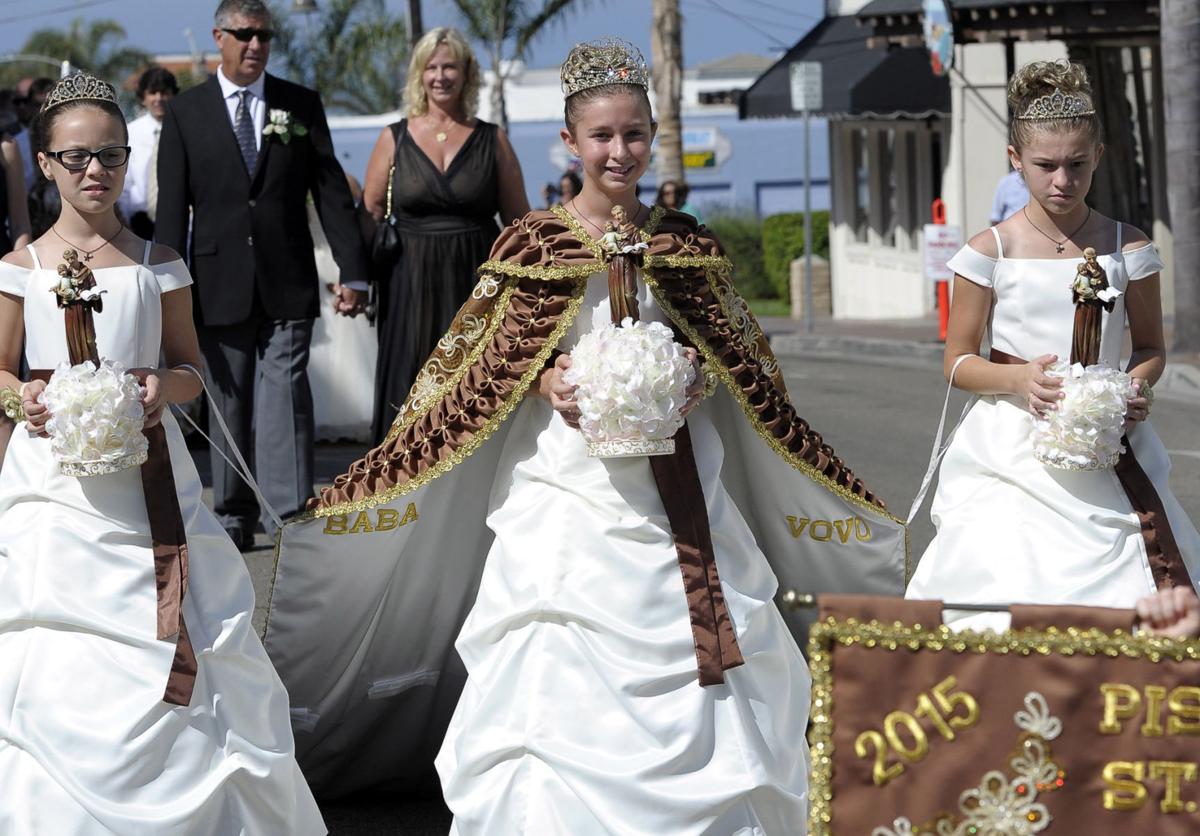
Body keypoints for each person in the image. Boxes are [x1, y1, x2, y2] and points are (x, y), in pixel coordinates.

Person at [262, 37, 906, 816]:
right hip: (571, 484)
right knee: (554, 636)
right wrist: (545, 381)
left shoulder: (686, 243)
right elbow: (476, 364)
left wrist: (694, 376)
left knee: (715, 624)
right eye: (602, 136)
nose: (620, 151)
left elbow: (741, 360)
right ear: (570, 141)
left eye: (634, 134)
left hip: (678, 478)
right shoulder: (535, 243)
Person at [0, 72, 322, 834]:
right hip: (55, 494)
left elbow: (191, 369)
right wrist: (26, 399)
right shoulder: (20, 270)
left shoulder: (158, 260)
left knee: (191, 643)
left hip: (149, 487)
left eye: (109, 154)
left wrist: (156, 388)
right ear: (44, 163)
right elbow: (1, 373)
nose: (95, 171)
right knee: (49, 655)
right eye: (75, 157)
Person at [905, 59, 1200, 631]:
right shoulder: (989, 249)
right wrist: (1018, 380)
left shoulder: (1128, 246)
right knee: (1008, 571)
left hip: (1108, 438)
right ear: (1016, 161)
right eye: (1045, 166)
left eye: (1077, 165)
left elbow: (1150, 347)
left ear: (1099, 158)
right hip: (1013, 440)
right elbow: (957, 360)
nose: (1062, 181)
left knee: (1133, 579)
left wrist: (1132, 387)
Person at [157, 0, 369, 548]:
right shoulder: (185, 113)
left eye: (265, 36)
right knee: (230, 402)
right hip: (216, 281)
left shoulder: (299, 104)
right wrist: (161, 287)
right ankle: (231, 510)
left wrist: (356, 271)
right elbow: (172, 208)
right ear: (219, 38)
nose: (256, 45)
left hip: (288, 278)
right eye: (245, 34)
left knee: (285, 394)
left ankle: (288, 513)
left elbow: (329, 194)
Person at [362, 26, 528, 445]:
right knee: (409, 375)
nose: (440, 76)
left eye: (450, 66)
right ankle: (400, 476)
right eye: (432, 67)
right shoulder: (393, 137)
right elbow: (370, 211)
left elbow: (518, 219)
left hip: (475, 280)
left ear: (467, 73)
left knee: (472, 378)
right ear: (419, 74)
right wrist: (357, 279)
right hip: (407, 280)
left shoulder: (493, 139)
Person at [119, 65, 178, 239]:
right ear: (143, 97)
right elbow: (124, 181)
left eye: (164, 92)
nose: (159, 98)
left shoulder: (184, 130)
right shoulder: (130, 132)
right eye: (153, 92)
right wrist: (123, 219)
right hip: (139, 219)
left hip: (174, 217)